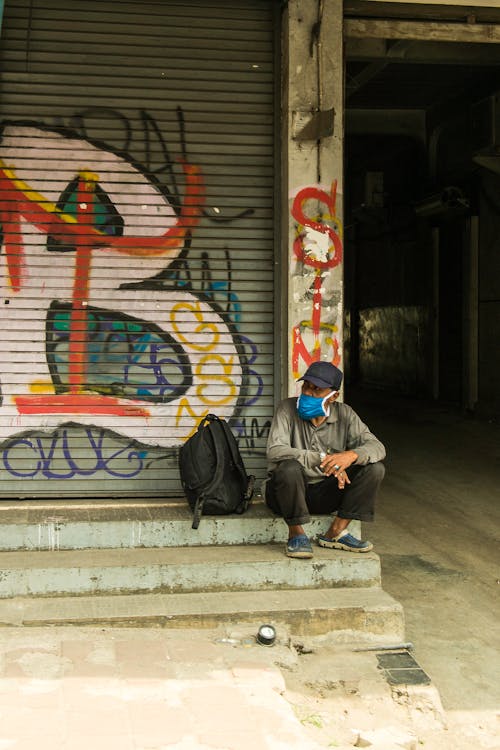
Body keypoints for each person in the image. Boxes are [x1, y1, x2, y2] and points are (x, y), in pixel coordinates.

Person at [264, 361, 386, 558]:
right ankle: (296, 534)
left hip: (324, 493)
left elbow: (378, 447)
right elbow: (275, 451)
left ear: (333, 395)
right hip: (286, 493)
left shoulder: (345, 414)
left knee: (375, 469)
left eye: (317, 390)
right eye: (306, 387)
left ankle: (336, 531)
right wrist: (323, 459)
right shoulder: (286, 408)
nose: (308, 393)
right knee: (288, 468)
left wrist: (350, 456)